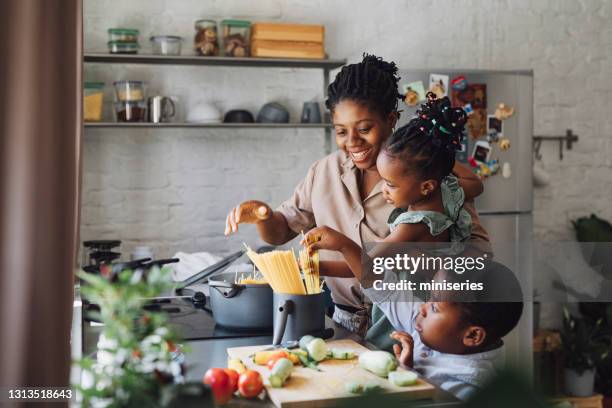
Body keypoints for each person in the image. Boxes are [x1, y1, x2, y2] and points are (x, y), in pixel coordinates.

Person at [224, 54, 490, 337]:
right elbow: (279, 232)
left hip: (414, 325)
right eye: (341, 131)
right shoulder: (323, 172)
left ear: (390, 119)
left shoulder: (426, 179)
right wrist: (263, 215)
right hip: (343, 322)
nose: (352, 142)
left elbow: (478, 256)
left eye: (364, 129)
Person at [302, 93, 480, 279]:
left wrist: (334, 252)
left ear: (426, 187)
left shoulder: (412, 226)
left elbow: (367, 268)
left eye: (390, 184)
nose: (383, 189)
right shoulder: (448, 191)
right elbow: (476, 184)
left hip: (414, 305)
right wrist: (437, 157)